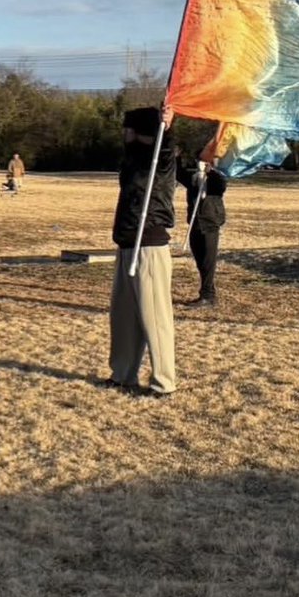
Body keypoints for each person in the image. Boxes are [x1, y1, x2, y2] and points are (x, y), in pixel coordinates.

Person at [104, 104, 177, 399]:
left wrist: (167, 127)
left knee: (155, 316)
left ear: (142, 132)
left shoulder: (160, 159)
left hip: (149, 245)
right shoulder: (132, 160)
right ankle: (123, 375)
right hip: (126, 244)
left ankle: (163, 381)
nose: (125, 134)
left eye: (129, 129)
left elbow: (167, 150)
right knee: (123, 317)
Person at [177, 145, 227, 306]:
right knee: (199, 259)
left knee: (208, 261)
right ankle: (206, 291)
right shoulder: (194, 178)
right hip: (195, 223)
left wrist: (210, 172)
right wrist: (177, 157)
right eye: (200, 159)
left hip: (210, 223)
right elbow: (179, 174)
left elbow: (221, 185)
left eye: (204, 160)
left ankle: (208, 295)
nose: (201, 162)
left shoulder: (215, 177)